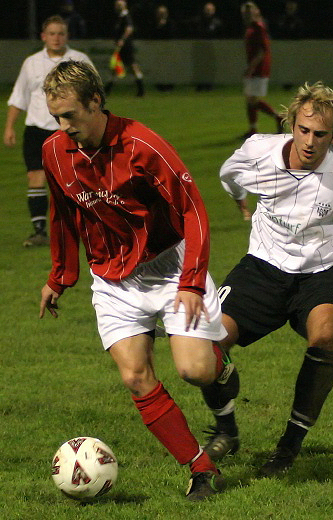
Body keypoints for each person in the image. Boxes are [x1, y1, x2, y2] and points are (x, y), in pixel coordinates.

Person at [39, 59, 230, 500]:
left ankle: (222, 366)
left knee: (194, 370)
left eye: (70, 116)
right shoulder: (54, 152)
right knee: (135, 377)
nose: (63, 127)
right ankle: (201, 469)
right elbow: (63, 214)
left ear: (96, 102)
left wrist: (191, 281)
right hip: (112, 281)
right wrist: (60, 276)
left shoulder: (143, 145)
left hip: (168, 268)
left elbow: (193, 210)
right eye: (56, 119)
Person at [200, 82, 333, 476]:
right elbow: (229, 172)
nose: (309, 141)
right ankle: (227, 427)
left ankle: (287, 449)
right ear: (292, 125)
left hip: (322, 272)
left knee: (324, 337)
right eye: (303, 130)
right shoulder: (259, 150)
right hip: (263, 266)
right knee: (207, 348)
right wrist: (236, 193)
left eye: (320, 134)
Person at [3, 15, 93, 247]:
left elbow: (95, 96)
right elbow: (19, 97)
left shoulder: (79, 60)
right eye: (51, 33)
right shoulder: (31, 63)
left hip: (68, 130)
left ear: (67, 36)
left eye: (60, 33)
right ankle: (39, 231)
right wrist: (10, 126)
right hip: (35, 130)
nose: (56, 38)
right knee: (35, 177)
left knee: (75, 181)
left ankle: (83, 228)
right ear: (43, 36)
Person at [240, 2, 282, 140]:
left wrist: (251, 67)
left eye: (249, 12)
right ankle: (253, 128)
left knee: (253, 99)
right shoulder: (251, 27)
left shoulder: (258, 27)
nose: (247, 15)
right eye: (245, 13)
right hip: (253, 67)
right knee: (250, 98)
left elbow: (263, 51)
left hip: (259, 68)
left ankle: (278, 117)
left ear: (256, 12)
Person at [105, 0, 145, 97]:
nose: (117, 7)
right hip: (121, 46)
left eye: (119, 5)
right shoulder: (120, 17)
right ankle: (107, 89)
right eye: (116, 5)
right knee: (117, 67)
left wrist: (122, 40)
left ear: (124, 6)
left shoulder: (126, 16)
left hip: (126, 46)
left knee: (132, 66)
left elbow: (129, 29)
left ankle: (141, 89)